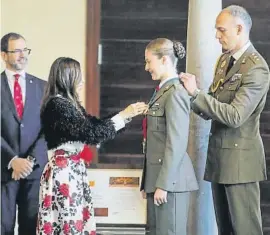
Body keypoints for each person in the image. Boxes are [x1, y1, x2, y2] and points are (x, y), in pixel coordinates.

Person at [180, 5, 270, 235]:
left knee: (245, 229)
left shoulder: (256, 68)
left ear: (239, 29)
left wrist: (197, 95)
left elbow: (234, 116)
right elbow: (214, 104)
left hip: (240, 162)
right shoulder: (224, 61)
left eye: (222, 30)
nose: (217, 36)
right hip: (220, 158)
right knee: (226, 230)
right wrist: (195, 96)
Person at [36, 57, 147, 234]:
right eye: (79, 77)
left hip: (71, 170)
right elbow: (91, 134)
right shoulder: (58, 105)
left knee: (73, 223)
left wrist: (125, 116)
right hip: (64, 173)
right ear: (68, 78)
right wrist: (123, 115)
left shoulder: (67, 104)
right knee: (68, 225)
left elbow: (94, 126)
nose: (83, 81)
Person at [140, 38, 198, 235]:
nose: (146, 67)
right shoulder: (161, 92)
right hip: (158, 182)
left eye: (149, 61)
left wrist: (163, 184)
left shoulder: (174, 93)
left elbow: (177, 142)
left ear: (164, 60)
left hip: (170, 183)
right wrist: (148, 182)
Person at [1, 33, 48, 235]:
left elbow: (48, 129)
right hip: (4, 172)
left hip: (34, 171)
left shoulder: (43, 87)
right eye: (16, 50)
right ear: (3, 55)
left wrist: (29, 161)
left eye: (25, 50)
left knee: (31, 228)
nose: (23, 55)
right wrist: (12, 160)